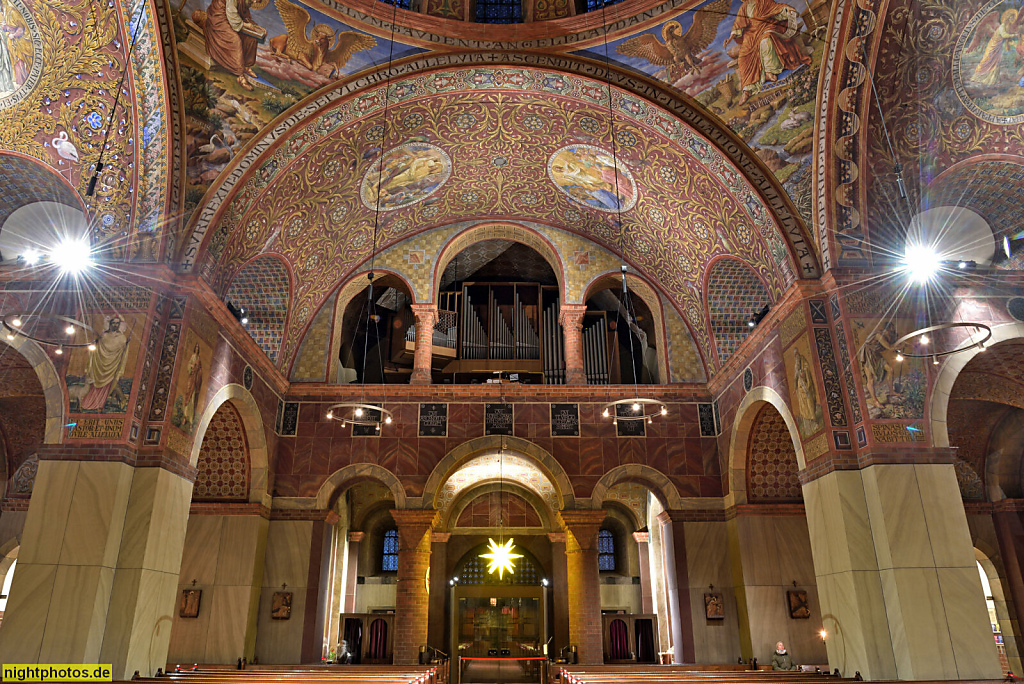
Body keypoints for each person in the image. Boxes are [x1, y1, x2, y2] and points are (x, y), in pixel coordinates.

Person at [728, 0, 812, 105]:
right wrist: (730, 37)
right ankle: (747, 89)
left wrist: (787, 9)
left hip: (766, 27)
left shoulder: (763, 1)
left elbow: (776, 7)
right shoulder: (744, 7)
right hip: (751, 34)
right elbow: (738, 25)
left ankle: (769, 71)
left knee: (765, 41)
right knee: (743, 56)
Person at [204, 0, 262, 90]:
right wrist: (245, 25)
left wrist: (257, 27)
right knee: (235, 40)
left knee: (252, 39)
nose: (254, 1)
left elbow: (244, 15)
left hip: (232, 19)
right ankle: (240, 76)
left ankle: (246, 66)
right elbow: (232, 14)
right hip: (219, 18)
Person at [80, 316, 131, 411]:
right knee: (94, 382)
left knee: (111, 383)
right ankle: (89, 404)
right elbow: (98, 346)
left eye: (117, 323)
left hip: (113, 364)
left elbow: (121, 351)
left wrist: (126, 345)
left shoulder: (122, 338)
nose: (115, 325)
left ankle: (112, 401)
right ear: (110, 324)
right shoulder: (104, 335)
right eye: (113, 323)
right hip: (99, 363)